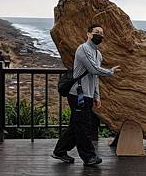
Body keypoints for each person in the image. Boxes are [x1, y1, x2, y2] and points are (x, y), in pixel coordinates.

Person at [52, 24, 121, 166]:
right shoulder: (83, 49)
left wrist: (96, 96)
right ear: (88, 34)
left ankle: (59, 151)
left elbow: (94, 77)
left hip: (87, 95)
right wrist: (110, 72)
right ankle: (88, 157)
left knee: (76, 124)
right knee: (84, 126)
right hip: (78, 94)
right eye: (96, 32)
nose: (99, 35)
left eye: (102, 33)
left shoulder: (98, 53)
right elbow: (94, 69)